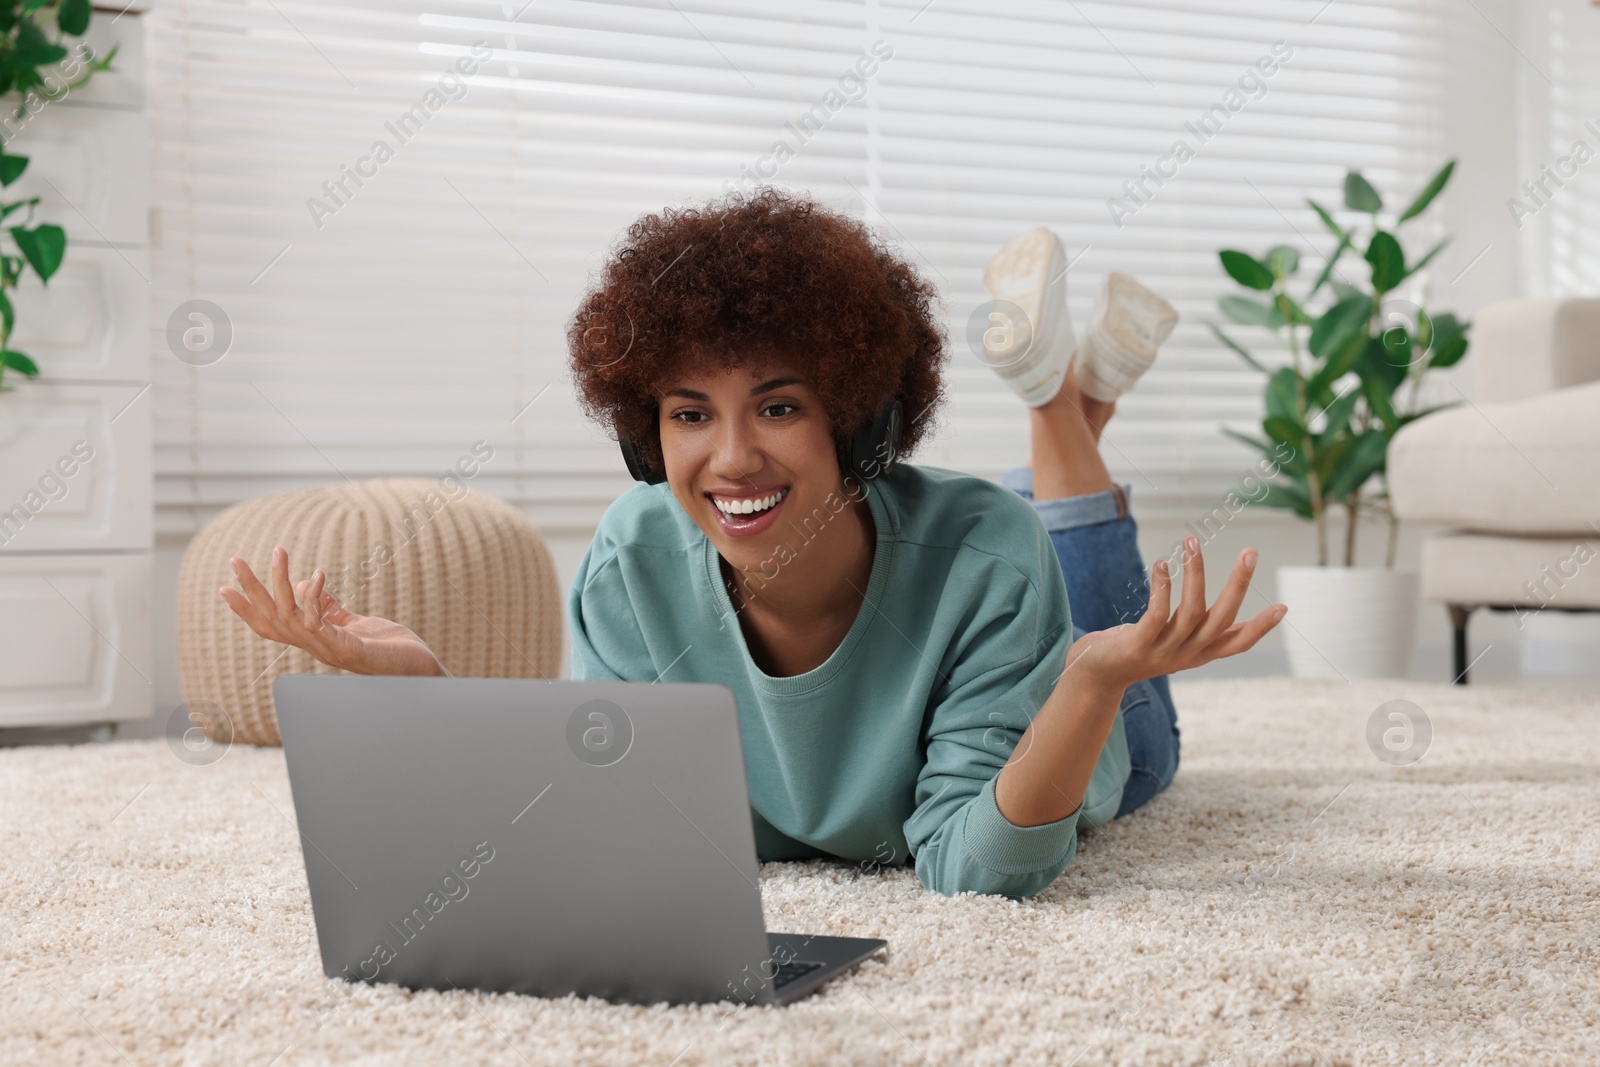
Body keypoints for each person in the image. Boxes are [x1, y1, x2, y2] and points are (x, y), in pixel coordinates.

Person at [220, 188, 1285, 900]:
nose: (728, 457)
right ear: (647, 431)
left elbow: (974, 867)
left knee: (1065, 565)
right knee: (1018, 534)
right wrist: (431, 694)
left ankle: (1059, 406)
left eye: (777, 407)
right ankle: (1077, 394)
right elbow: (611, 819)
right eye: (688, 414)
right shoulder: (634, 555)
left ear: (856, 418)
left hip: (1092, 723)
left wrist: (1095, 680)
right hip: (961, 551)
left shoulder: (985, 557)